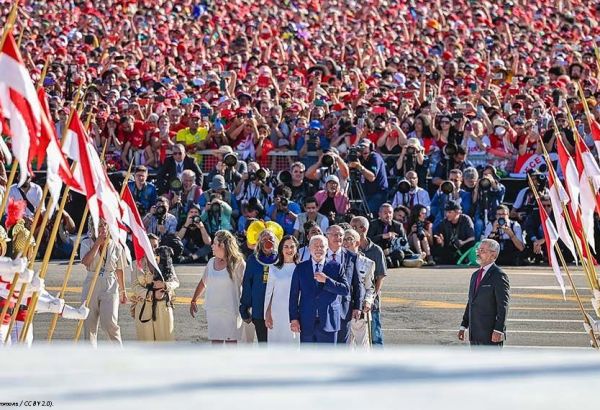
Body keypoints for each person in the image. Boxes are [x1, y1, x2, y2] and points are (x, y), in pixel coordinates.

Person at [288, 234, 349, 344]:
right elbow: (293, 295)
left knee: (327, 359)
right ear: (309, 248)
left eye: (322, 246)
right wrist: (293, 318)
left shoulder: (336, 267)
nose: (318, 249)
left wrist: (327, 281)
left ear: (327, 249)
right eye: (315, 246)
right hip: (306, 321)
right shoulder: (301, 268)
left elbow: (345, 290)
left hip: (329, 321)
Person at [190, 230, 246, 344]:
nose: (212, 246)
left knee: (231, 343)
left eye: (215, 243)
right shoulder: (211, 262)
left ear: (223, 245)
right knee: (216, 343)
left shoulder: (239, 263)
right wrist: (194, 299)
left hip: (231, 311)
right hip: (213, 310)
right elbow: (203, 282)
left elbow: (246, 286)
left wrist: (246, 306)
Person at [80, 217, 128, 347]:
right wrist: (97, 244)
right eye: (99, 225)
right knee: (89, 323)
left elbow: (119, 269)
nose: (103, 228)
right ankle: (90, 356)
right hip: (91, 282)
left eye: (105, 225)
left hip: (110, 284)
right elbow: (86, 262)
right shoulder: (86, 242)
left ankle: (118, 352)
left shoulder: (116, 245)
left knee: (109, 323)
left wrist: (123, 290)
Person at [458, 239, 510, 347]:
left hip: (491, 335)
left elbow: (503, 305)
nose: (478, 253)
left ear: (493, 254)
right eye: (478, 250)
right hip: (475, 334)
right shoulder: (475, 275)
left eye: (482, 250)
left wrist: (499, 329)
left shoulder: (499, 275)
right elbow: (471, 302)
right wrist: (463, 326)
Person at [240, 222, 284, 343]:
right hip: (259, 311)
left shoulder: (283, 259)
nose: (267, 241)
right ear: (259, 242)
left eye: (270, 238)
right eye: (264, 239)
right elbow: (247, 285)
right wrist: (244, 307)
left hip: (279, 311)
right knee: (263, 344)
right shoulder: (253, 260)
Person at [131, 234, 179, 341]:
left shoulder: (166, 260)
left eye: (155, 246)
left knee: (165, 344)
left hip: (163, 306)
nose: (152, 249)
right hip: (144, 307)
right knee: (146, 344)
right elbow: (134, 286)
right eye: (149, 246)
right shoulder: (136, 264)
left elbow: (175, 282)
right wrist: (151, 294)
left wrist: (165, 285)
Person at [350, 216, 387, 346]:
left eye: (355, 227)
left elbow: (380, 276)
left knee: (375, 334)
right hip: (353, 302)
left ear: (364, 229)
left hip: (371, 302)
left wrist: (372, 298)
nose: (351, 230)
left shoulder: (376, 250)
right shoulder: (349, 249)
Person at [325, 225, 363, 343]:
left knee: (343, 346)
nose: (339, 238)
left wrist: (358, 306)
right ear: (327, 237)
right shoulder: (320, 254)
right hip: (324, 308)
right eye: (335, 235)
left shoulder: (352, 257)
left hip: (344, 309)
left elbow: (357, 284)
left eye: (341, 235)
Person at [264, 235, 300, 344]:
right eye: (286, 246)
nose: (289, 250)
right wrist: (267, 314)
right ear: (281, 248)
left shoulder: (302, 268)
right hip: (277, 314)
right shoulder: (273, 268)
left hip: (295, 314)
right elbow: (269, 293)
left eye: (292, 247)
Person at [368, 203, 421, 268]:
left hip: (392, 250)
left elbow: (404, 243)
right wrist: (383, 236)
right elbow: (368, 240)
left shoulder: (398, 225)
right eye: (385, 213)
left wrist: (394, 240)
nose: (388, 215)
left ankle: (410, 259)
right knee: (387, 259)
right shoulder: (373, 224)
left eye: (390, 213)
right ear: (379, 214)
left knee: (400, 253)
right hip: (379, 251)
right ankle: (404, 261)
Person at [347, 138, 388, 215]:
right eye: (361, 148)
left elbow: (371, 177)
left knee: (367, 213)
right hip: (366, 193)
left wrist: (359, 166)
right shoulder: (361, 158)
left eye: (365, 147)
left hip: (378, 193)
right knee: (361, 212)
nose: (363, 150)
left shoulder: (375, 157)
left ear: (371, 147)